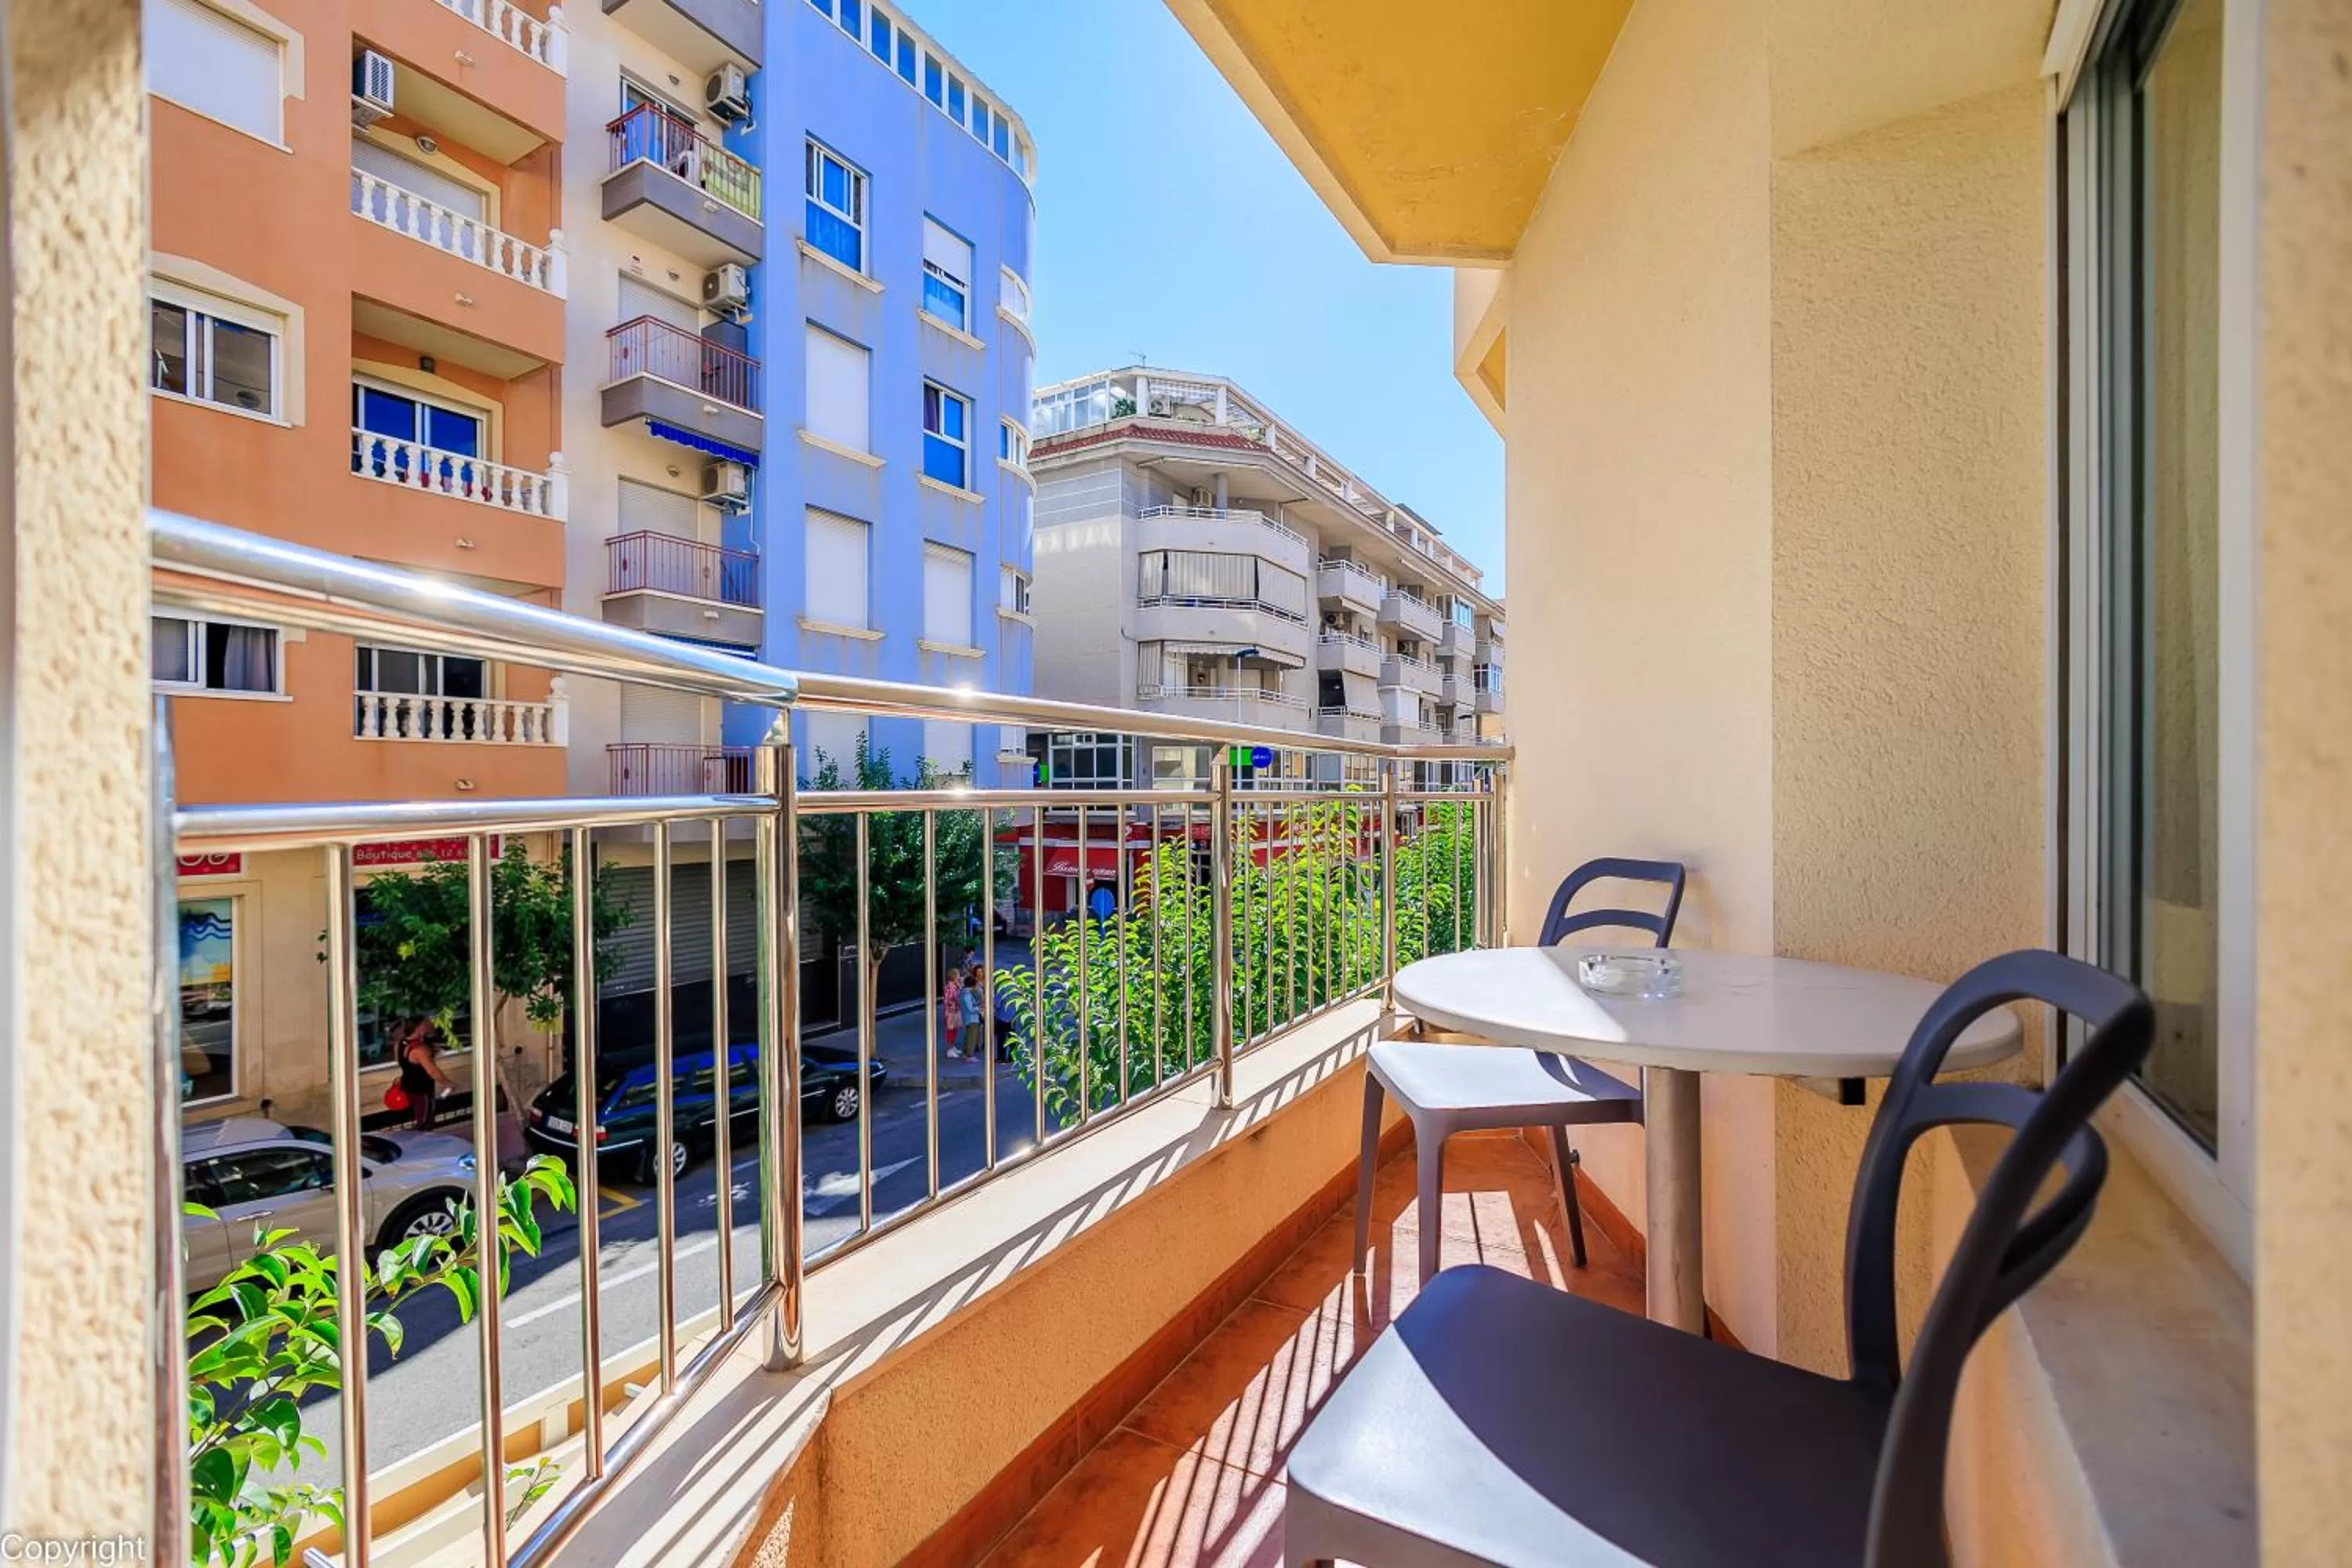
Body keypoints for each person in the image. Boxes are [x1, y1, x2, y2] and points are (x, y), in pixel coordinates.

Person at [397, 1018, 456, 1131]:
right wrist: (447, 1083)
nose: (430, 1025)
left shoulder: (401, 1043)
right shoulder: (420, 1050)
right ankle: (418, 1145)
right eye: (426, 1024)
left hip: (408, 1086)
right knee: (425, 1122)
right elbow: (432, 1071)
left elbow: (401, 1061)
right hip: (422, 1090)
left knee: (420, 1118)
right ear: (419, 1028)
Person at [960, 960, 985, 1057]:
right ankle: (971, 1051)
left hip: (980, 1008)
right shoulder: (971, 988)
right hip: (976, 1011)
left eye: (981, 971)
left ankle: (977, 1046)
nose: (980, 974)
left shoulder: (985, 981)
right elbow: (970, 1007)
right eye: (978, 972)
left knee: (979, 1029)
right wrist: (979, 1008)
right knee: (973, 1031)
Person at [942, 967, 964, 1060]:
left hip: (956, 1011)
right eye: (958, 975)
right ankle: (950, 1050)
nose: (959, 976)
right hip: (951, 1012)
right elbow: (951, 999)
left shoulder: (956, 985)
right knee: (951, 1030)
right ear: (954, 976)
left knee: (954, 1029)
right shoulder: (950, 987)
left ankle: (953, 1047)